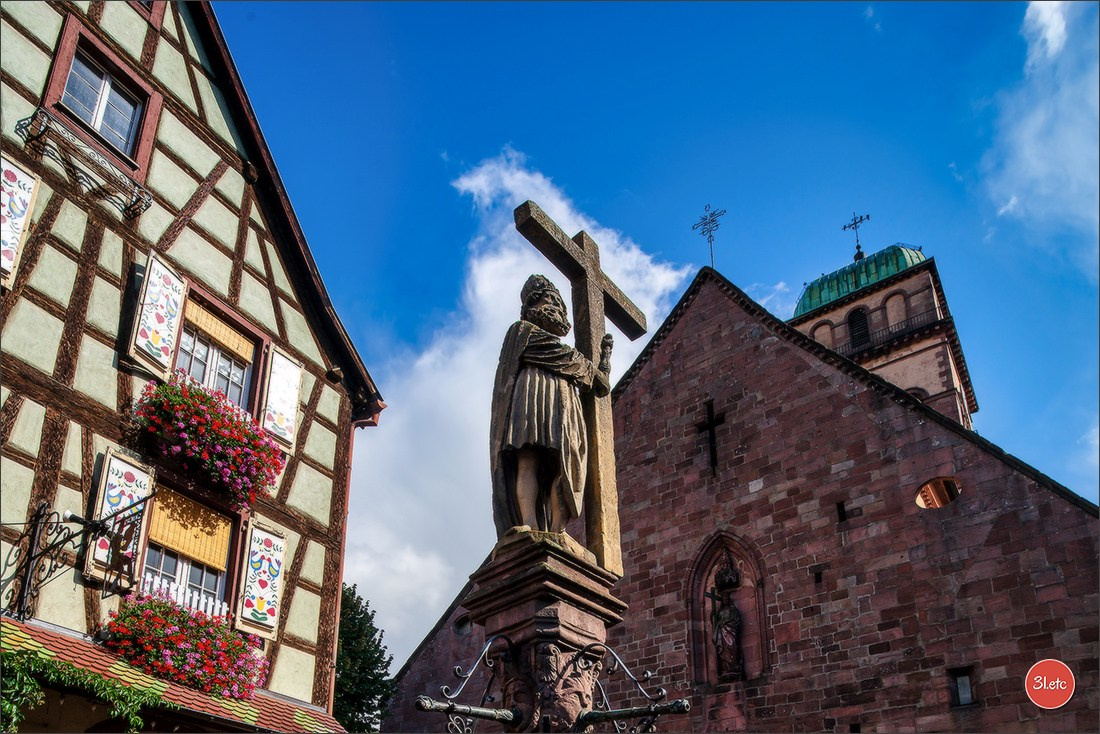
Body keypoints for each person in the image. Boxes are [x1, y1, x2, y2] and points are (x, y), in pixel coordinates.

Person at [490, 275, 612, 537]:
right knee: (527, 459)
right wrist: (594, 372)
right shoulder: (521, 331)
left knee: (563, 466)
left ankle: (558, 528)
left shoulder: (567, 353)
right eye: (550, 299)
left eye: (560, 303)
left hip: (563, 401)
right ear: (532, 304)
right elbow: (571, 363)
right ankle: (529, 523)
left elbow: (598, 383)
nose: (556, 306)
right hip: (531, 394)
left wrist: (599, 370)